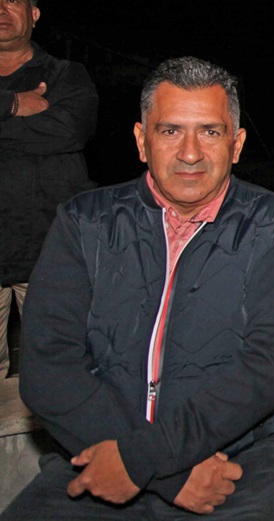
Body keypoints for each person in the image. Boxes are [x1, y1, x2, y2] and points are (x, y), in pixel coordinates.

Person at [3, 57, 274, 520]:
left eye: (210, 132)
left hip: (240, 462)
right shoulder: (84, 222)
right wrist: (161, 470)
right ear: (141, 140)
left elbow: (271, 362)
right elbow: (49, 364)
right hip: (99, 451)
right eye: (170, 131)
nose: (190, 153)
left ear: (236, 144)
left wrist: (145, 458)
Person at [0, 0, 97, 378]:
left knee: (60, 373)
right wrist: (13, 104)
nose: (1, 9)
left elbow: (68, 131)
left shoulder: (66, 74)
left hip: (48, 253)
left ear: (34, 14)